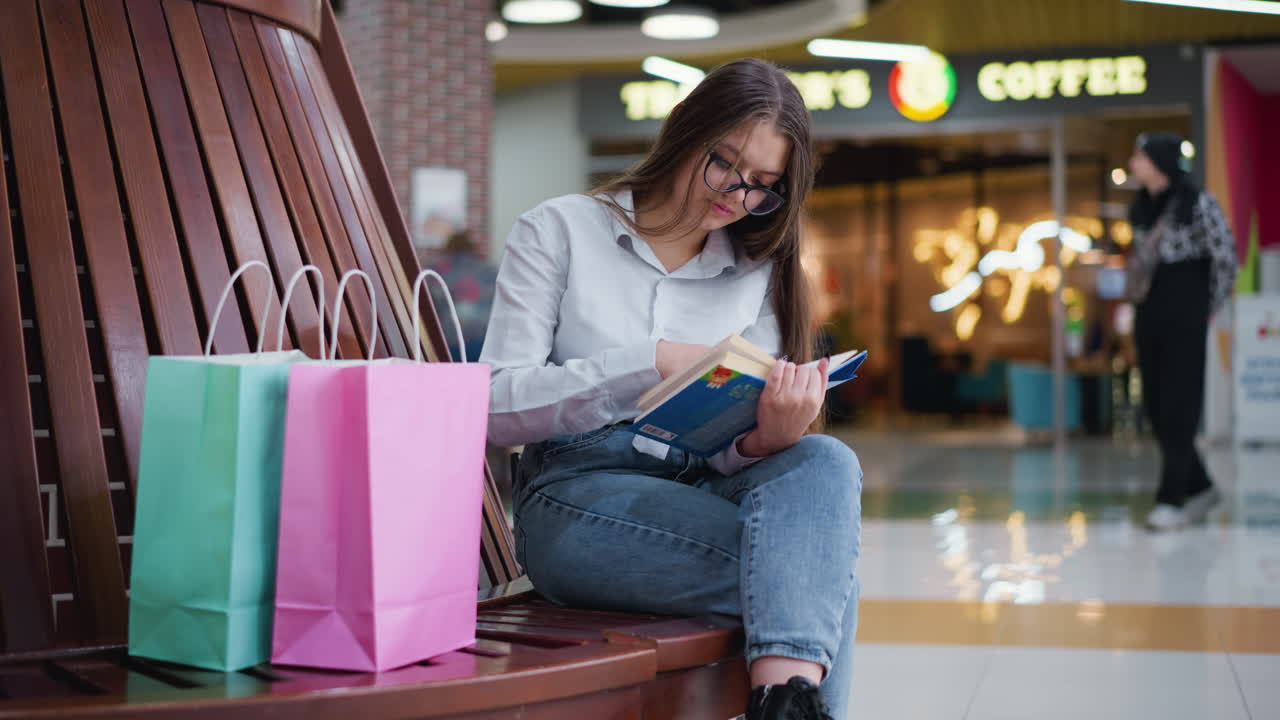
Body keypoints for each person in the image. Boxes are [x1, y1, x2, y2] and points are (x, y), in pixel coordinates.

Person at [479, 59, 861, 720]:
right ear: (687, 131)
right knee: (818, 571)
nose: (736, 196)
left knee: (827, 461)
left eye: (761, 187)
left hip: (700, 487)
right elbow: (491, 407)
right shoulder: (560, 230)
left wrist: (769, 435)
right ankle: (791, 701)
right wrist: (650, 362)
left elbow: (730, 454)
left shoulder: (753, 271)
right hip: (576, 499)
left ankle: (781, 699)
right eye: (726, 164)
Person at [1126, 132, 1237, 531]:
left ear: (1159, 161)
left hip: (1185, 313)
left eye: (1140, 157)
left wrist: (1208, 307)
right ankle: (1201, 484)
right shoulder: (1141, 209)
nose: (1134, 164)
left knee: (1180, 405)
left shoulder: (1199, 205)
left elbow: (1225, 257)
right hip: (1149, 314)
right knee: (1155, 406)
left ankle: (1171, 499)